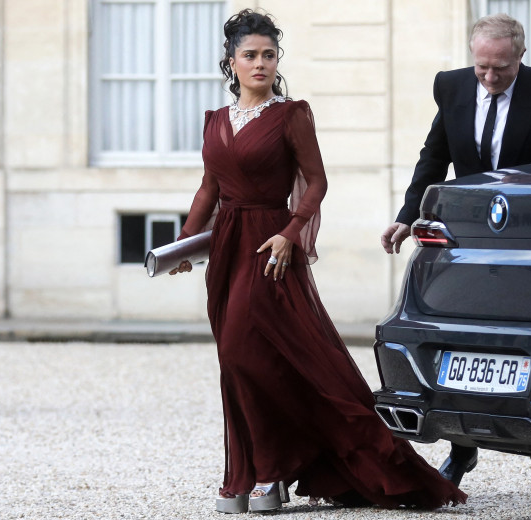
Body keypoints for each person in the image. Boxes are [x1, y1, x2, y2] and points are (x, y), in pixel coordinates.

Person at [170, 8, 467, 515]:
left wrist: (290, 233)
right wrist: (184, 243)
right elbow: (209, 188)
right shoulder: (215, 122)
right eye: (250, 55)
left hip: (271, 251)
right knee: (238, 363)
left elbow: (317, 182)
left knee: (253, 356)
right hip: (227, 249)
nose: (260, 63)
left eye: (268, 54)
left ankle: (269, 473)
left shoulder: (291, 115)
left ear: (277, 60)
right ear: (231, 62)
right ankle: (254, 473)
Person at [379, 13, 531, 507]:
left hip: (528, 243)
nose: (489, 77)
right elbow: (432, 156)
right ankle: (462, 450)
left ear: (519, 57)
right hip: (465, 239)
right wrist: (405, 215)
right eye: (481, 67)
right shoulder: (452, 88)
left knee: (523, 348)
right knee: (465, 346)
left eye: (500, 69)